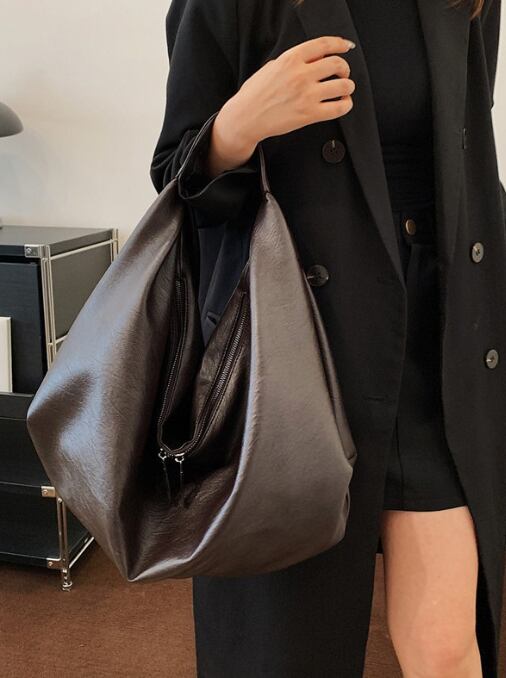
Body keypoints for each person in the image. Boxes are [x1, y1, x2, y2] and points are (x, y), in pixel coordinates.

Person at [150, 0, 506, 675]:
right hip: (298, 354)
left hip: (436, 347)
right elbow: (176, 176)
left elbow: (467, 163)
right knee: (288, 652)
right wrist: (239, 124)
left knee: (447, 646)